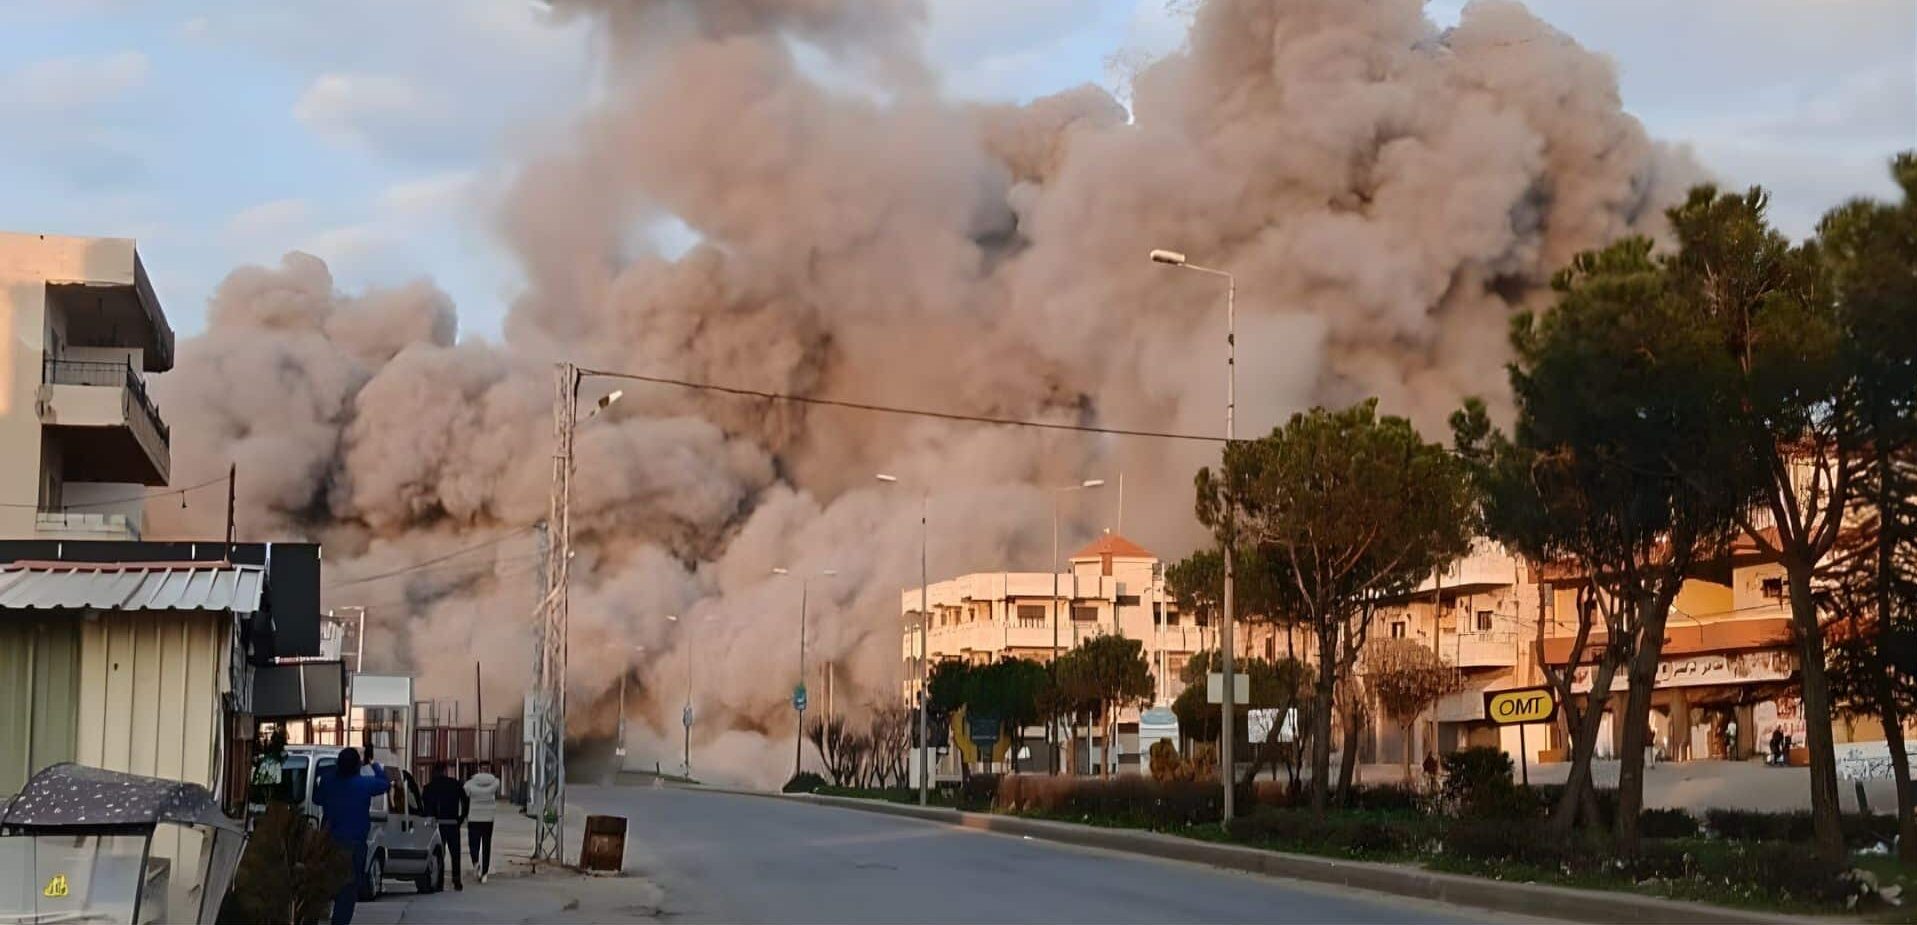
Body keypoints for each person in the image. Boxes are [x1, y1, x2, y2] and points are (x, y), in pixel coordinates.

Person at [314, 748, 388, 925]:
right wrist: (373, 764)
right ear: (357, 766)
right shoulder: (364, 784)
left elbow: (317, 799)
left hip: (329, 843)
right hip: (354, 846)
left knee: (323, 886)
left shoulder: (328, 781)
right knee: (347, 891)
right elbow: (385, 783)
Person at [421, 763, 470, 890]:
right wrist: (461, 817)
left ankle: (439, 881)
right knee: (455, 853)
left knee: (438, 853)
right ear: (445, 771)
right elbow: (465, 801)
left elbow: (424, 809)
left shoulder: (428, 788)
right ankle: (456, 880)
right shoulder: (455, 784)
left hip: (436, 825)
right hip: (453, 823)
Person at [465, 762, 501, 883]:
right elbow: (497, 785)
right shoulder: (495, 782)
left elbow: (465, 791)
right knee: (486, 845)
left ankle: (475, 863)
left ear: (479, 769)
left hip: (474, 817)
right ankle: (485, 873)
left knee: (473, 843)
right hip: (488, 818)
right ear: (489, 769)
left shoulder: (470, 783)